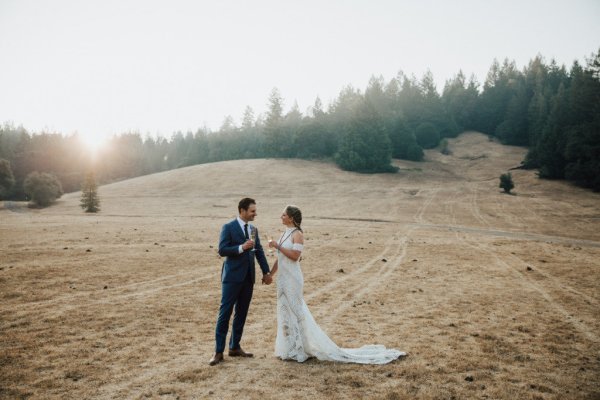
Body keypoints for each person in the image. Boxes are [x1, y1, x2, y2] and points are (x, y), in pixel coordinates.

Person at [268, 205, 405, 364]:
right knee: (285, 312)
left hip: (293, 279)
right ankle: (289, 348)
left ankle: (302, 348)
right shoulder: (284, 233)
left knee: (297, 312)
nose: (281, 216)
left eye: (283, 215)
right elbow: (281, 258)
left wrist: (277, 246)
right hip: (283, 279)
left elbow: (294, 256)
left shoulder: (298, 234)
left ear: (291, 218)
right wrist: (271, 274)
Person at [209, 197, 272, 366]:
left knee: (241, 313)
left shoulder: (253, 229)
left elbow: (259, 252)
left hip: (248, 278)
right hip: (231, 278)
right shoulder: (228, 227)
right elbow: (222, 250)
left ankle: (235, 347)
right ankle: (218, 352)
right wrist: (241, 248)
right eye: (252, 211)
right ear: (242, 211)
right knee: (225, 313)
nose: (255, 214)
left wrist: (266, 272)